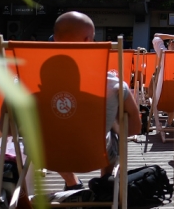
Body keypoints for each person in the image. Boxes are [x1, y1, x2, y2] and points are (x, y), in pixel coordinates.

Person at [52, 11, 142, 191]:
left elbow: (7, 120)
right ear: (87, 41)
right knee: (117, 127)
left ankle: (72, 182)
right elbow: (134, 128)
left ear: (55, 39)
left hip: (47, 154)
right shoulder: (112, 83)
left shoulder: (24, 81)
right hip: (95, 154)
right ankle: (106, 181)